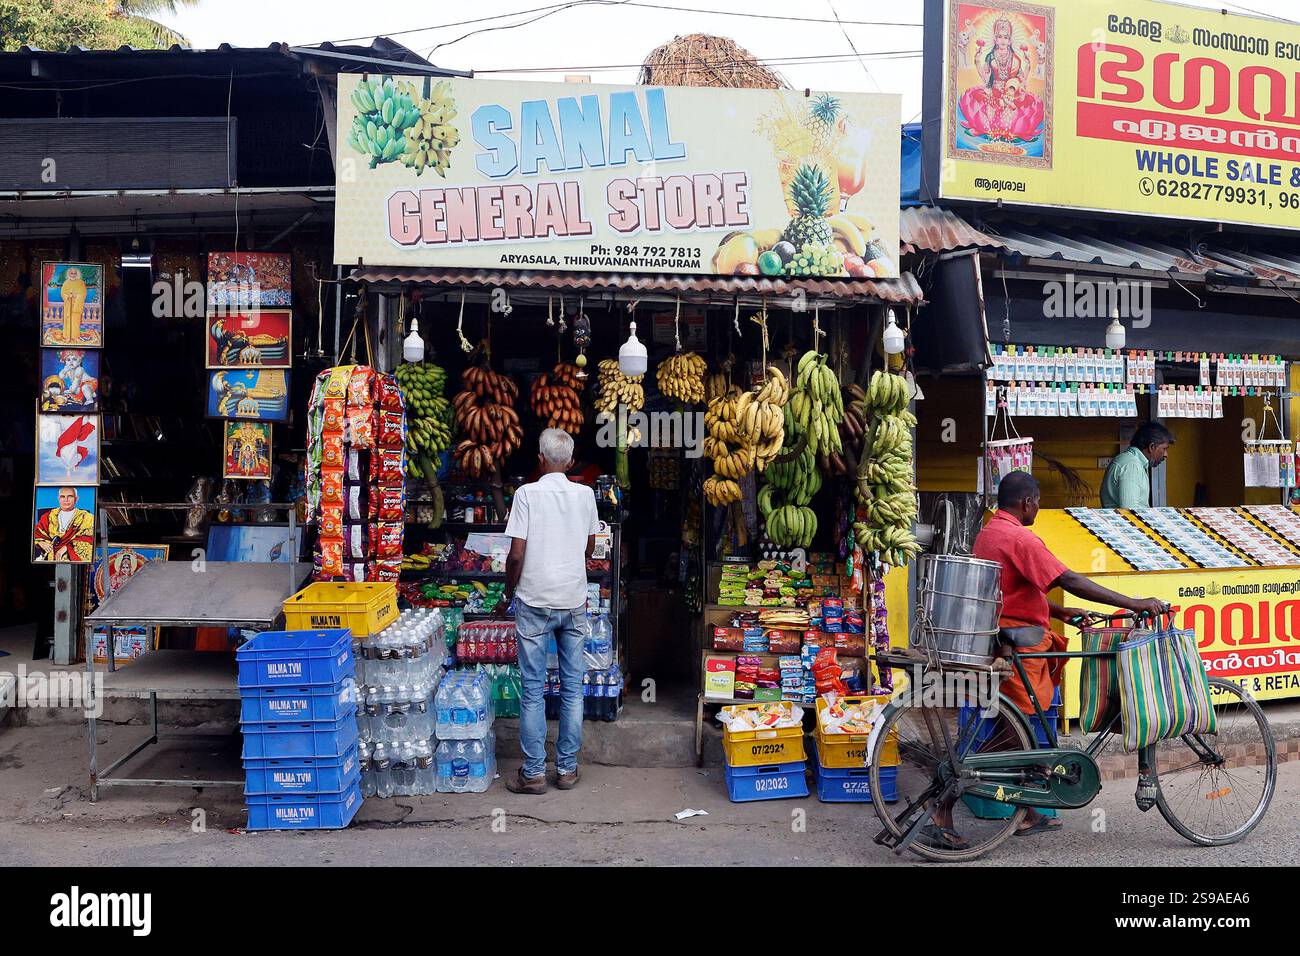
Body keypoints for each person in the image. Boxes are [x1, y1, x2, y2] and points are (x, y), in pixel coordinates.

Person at [926, 472, 1164, 848]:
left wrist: (1060, 612)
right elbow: (1068, 578)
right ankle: (943, 806)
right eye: (1037, 502)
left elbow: (1014, 589)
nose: (1037, 507)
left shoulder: (991, 531)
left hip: (1009, 635)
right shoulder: (1020, 537)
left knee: (1016, 729)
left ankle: (1028, 812)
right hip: (1020, 644)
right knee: (1016, 728)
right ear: (1027, 503)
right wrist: (1134, 603)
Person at [503, 429, 601, 794]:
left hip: (534, 600)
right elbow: (590, 547)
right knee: (572, 688)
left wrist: (507, 590)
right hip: (572, 600)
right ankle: (568, 769)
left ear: (540, 460)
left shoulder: (527, 493)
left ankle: (533, 774)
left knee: (533, 690)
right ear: (571, 462)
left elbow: (516, 555)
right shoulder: (585, 495)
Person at [1100, 422, 1174, 509]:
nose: (1166, 455)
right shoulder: (1131, 466)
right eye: (1164, 449)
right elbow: (1130, 511)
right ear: (1152, 447)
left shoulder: (1131, 461)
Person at [33, 486, 96, 562]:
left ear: (76, 499)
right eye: (63, 497)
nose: (66, 500)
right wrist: (41, 542)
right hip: (48, 554)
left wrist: (66, 548)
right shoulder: (48, 516)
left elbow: (87, 538)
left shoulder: (86, 517)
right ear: (58, 499)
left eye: (70, 496)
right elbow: (37, 534)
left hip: (70, 555)